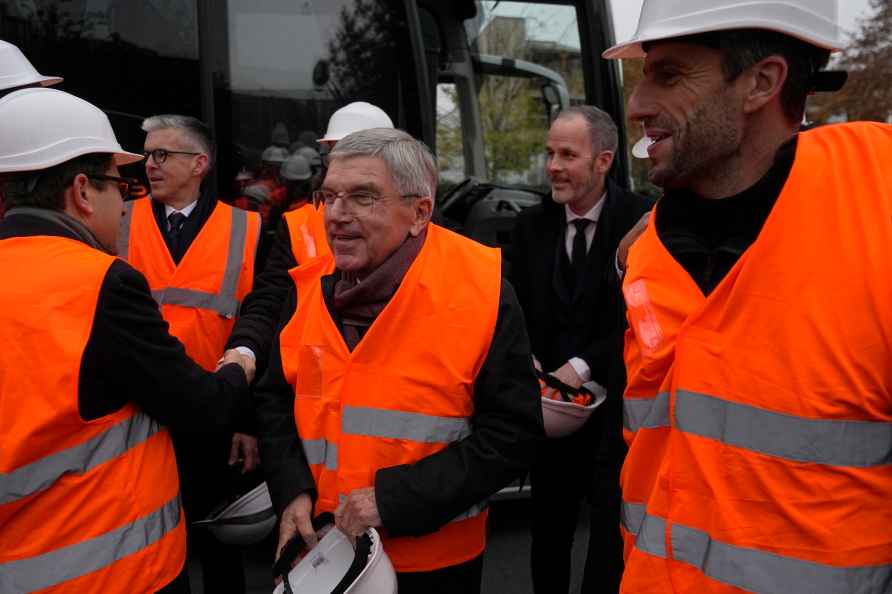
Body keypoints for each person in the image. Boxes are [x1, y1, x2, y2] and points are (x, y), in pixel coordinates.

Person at [602, 1, 892, 592]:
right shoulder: (649, 251)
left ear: (762, 82)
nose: (637, 105)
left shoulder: (875, 210)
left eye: (670, 74)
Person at [255, 128, 543, 594]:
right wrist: (291, 490)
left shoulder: (481, 291)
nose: (337, 216)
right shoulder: (307, 286)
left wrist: (389, 501)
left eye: (363, 197)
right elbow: (273, 398)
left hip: (433, 567)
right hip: (323, 560)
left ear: (419, 213)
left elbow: (513, 436)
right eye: (329, 196)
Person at [0, 88, 252, 594]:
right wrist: (241, 366)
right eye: (119, 185)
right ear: (82, 191)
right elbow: (200, 405)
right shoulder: (102, 281)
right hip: (109, 570)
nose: (126, 201)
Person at [118, 114, 262, 594]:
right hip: (136, 418)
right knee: (149, 546)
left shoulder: (248, 229)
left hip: (213, 417)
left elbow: (259, 327)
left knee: (221, 549)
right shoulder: (119, 219)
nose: (149, 166)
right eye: (146, 155)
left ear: (199, 163)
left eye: (162, 155)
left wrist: (246, 421)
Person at [511, 105, 652, 594]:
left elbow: (641, 315)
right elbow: (515, 308)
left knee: (609, 543)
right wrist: (522, 358)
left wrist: (583, 364)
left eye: (567, 154)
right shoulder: (529, 226)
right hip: (549, 420)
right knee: (547, 536)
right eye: (550, 152)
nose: (552, 165)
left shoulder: (642, 221)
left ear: (604, 160)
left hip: (618, 419)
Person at [223, 102, 394, 375]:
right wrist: (245, 350)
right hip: (309, 382)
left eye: (358, 154)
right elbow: (271, 298)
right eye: (338, 155)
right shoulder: (298, 223)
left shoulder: (417, 222)